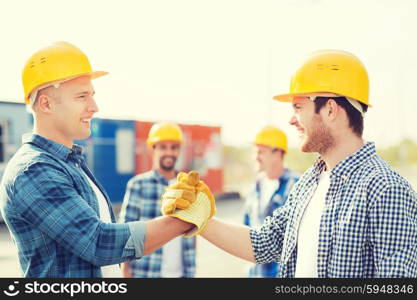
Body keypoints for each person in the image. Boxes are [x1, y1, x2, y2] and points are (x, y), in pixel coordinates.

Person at [160, 50, 417, 277]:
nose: (291, 120)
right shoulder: (308, 184)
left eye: (297, 107)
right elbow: (263, 243)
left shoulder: (386, 190)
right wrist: (199, 217)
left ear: (330, 110)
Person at [0, 41, 197, 277]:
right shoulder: (34, 170)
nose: (94, 107)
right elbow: (98, 243)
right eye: (82, 96)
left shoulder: (70, 163)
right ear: (46, 103)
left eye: (92, 95)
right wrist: (185, 220)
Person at [119, 122, 196, 278]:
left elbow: (193, 232)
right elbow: (125, 232)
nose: (169, 152)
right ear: (152, 149)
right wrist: (125, 271)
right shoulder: (138, 185)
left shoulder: (188, 187)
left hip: (181, 274)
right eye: (162, 147)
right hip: (146, 273)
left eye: (174, 147)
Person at [243, 126, 298, 277]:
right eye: (255, 151)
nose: (256, 157)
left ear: (277, 153)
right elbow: (247, 226)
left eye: (260, 152)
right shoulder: (255, 186)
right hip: (256, 273)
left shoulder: (296, 186)